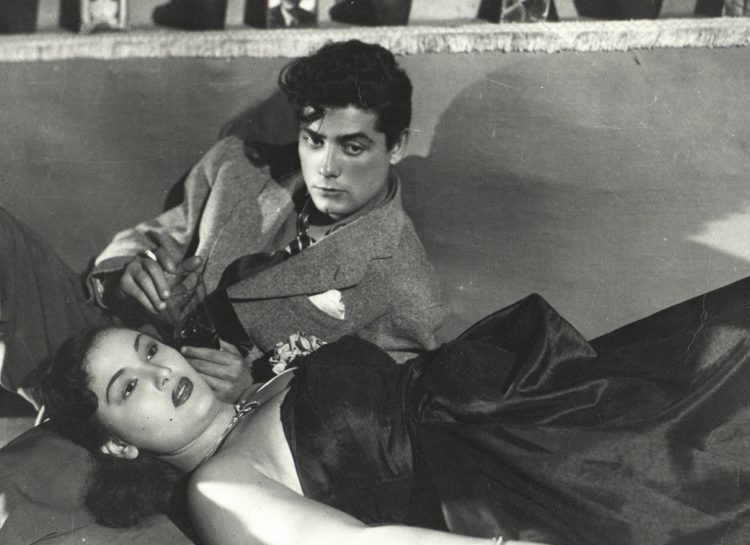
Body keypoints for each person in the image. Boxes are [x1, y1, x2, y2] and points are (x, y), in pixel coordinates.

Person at [40, 259, 750, 545]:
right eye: (127, 387)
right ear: (117, 443)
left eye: (149, 350)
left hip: (538, 402)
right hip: (530, 471)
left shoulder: (254, 388)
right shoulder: (219, 491)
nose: (159, 371)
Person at [0, 40, 446, 400]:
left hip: (195, 422)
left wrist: (253, 391)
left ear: (396, 146)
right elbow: (155, 237)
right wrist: (125, 276)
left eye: (353, 147)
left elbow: (374, 414)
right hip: (118, 344)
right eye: (313, 140)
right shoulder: (239, 167)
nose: (326, 168)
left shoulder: (406, 288)